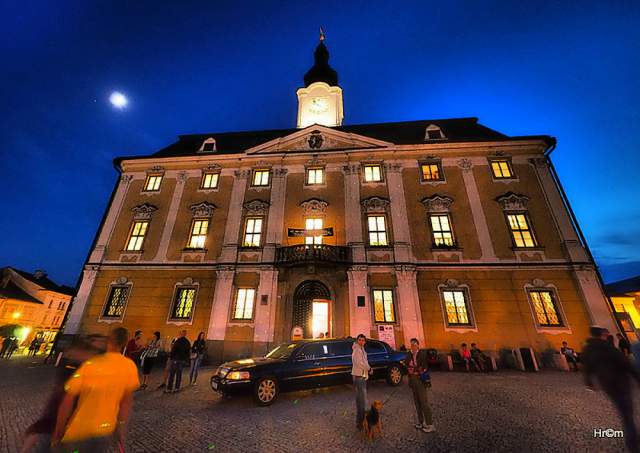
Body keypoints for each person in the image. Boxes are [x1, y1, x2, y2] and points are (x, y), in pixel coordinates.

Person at [51, 327, 139, 453]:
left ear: (108, 341)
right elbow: (126, 403)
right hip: (104, 432)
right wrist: (121, 427)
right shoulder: (129, 366)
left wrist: (58, 429)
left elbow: (68, 401)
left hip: (78, 431)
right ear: (124, 344)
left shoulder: (91, 364)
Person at [21, 334, 106, 453]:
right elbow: (65, 391)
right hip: (62, 407)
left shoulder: (90, 364)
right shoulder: (75, 363)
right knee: (47, 437)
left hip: (74, 413)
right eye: (95, 346)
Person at [582, 326, 640, 453]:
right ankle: (633, 443)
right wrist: (637, 378)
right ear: (602, 334)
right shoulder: (608, 347)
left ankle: (632, 437)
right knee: (627, 413)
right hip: (621, 382)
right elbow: (625, 363)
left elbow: (587, 367)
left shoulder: (587, 349)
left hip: (607, 384)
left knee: (623, 409)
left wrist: (589, 383)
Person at [407, 338, 435, 433]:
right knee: (417, 403)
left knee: (424, 402)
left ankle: (430, 424)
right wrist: (411, 368)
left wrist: (414, 369)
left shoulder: (422, 355)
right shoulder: (409, 355)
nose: (413, 346)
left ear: (418, 345)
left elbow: (424, 367)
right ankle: (421, 422)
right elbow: (407, 365)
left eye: (414, 344)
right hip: (413, 380)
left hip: (421, 380)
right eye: (411, 344)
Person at [351, 334, 372, 430]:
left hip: (362, 376)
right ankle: (360, 423)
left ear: (365, 342)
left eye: (363, 340)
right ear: (357, 341)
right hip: (359, 377)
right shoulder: (357, 350)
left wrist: (368, 369)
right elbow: (359, 363)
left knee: (362, 401)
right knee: (361, 401)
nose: (361, 342)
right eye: (359, 340)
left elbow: (365, 362)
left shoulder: (362, 349)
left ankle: (361, 422)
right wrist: (369, 368)